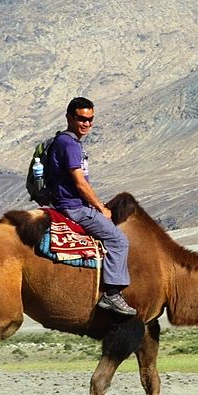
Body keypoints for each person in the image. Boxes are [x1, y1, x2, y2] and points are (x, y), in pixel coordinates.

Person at [45, 96, 136, 316]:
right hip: (74, 207)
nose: (86, 123)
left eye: (90, 119)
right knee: (119, 240)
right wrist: (101, 208)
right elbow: (80, 183)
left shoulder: (63, 141)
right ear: (69, 117)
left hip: (66, 204)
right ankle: (112, 294)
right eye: (81, 118)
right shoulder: (69, 144)